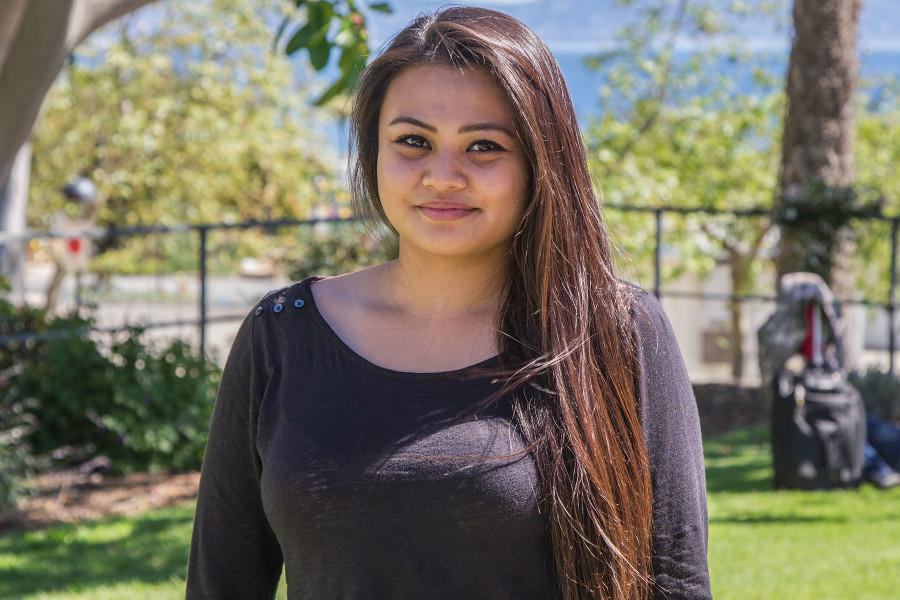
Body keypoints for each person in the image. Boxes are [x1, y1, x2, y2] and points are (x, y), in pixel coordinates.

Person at [185, 6, 711, 600]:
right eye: (413, 141)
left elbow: (676, 582)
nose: (442, 175)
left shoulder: (613, 331)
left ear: (541, 164)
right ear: (371, 153)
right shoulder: (280, 335)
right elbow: (219, 583)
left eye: (484, 146)